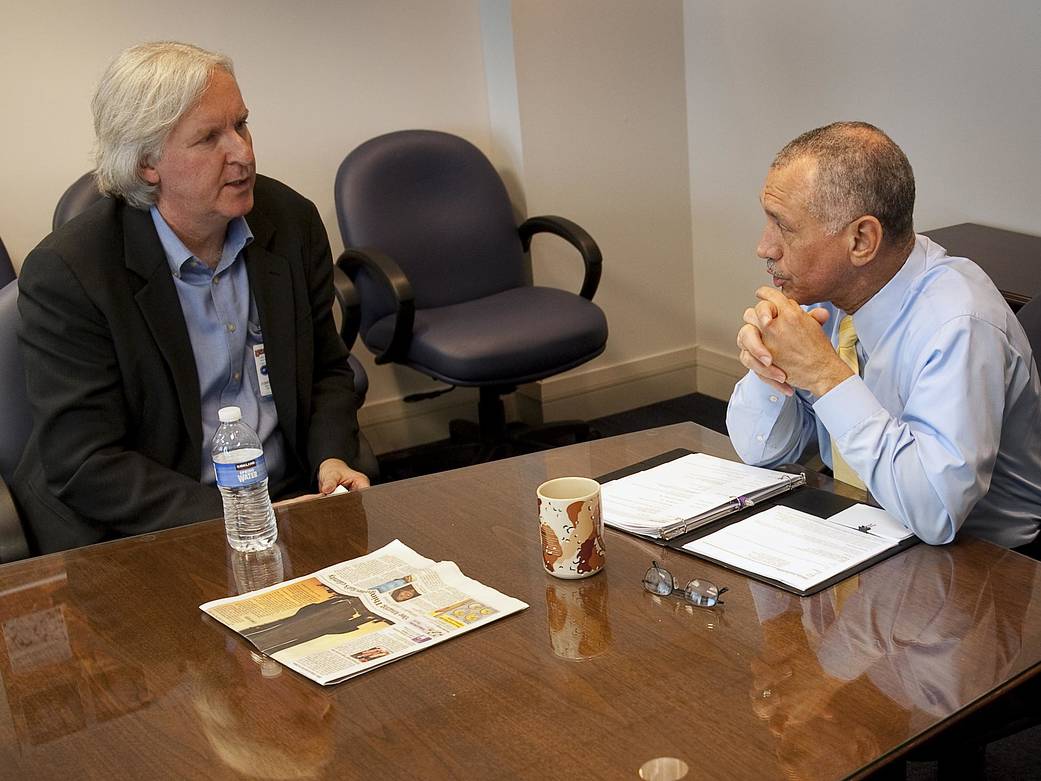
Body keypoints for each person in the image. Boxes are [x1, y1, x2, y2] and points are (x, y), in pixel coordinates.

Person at [14, 42, 371, 554]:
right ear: (146, 165)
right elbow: (86, 461)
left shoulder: (290, 222)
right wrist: (240, 517)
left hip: (290, 498)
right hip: (157, 524)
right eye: (208, 138)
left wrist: (331, 458)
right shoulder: (70, 272)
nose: (243, 153)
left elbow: (326, 372)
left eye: (241, 125)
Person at [727, 121, 1041, 549]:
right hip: (866, 533)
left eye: (784, 226)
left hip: (989, 568)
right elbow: (761, 453)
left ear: (861, 240)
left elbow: (935, 512)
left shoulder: (959, 323)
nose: (764, 247)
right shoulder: (827, 295)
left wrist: (826, 376)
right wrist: (771, 371)